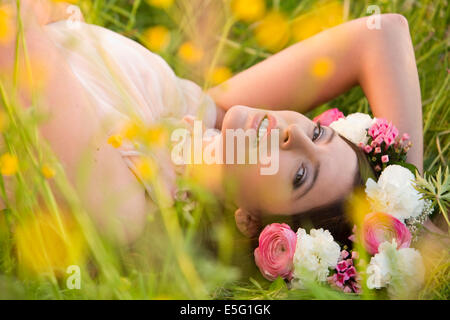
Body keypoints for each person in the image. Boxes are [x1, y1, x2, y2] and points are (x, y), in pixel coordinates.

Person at [0, 1, 424, 243]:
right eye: (318, 132)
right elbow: (380, 32)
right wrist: (407, 200)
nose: (295, 133)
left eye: (299, 175)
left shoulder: (125, 205)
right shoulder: (206, 117)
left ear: (251, 222)